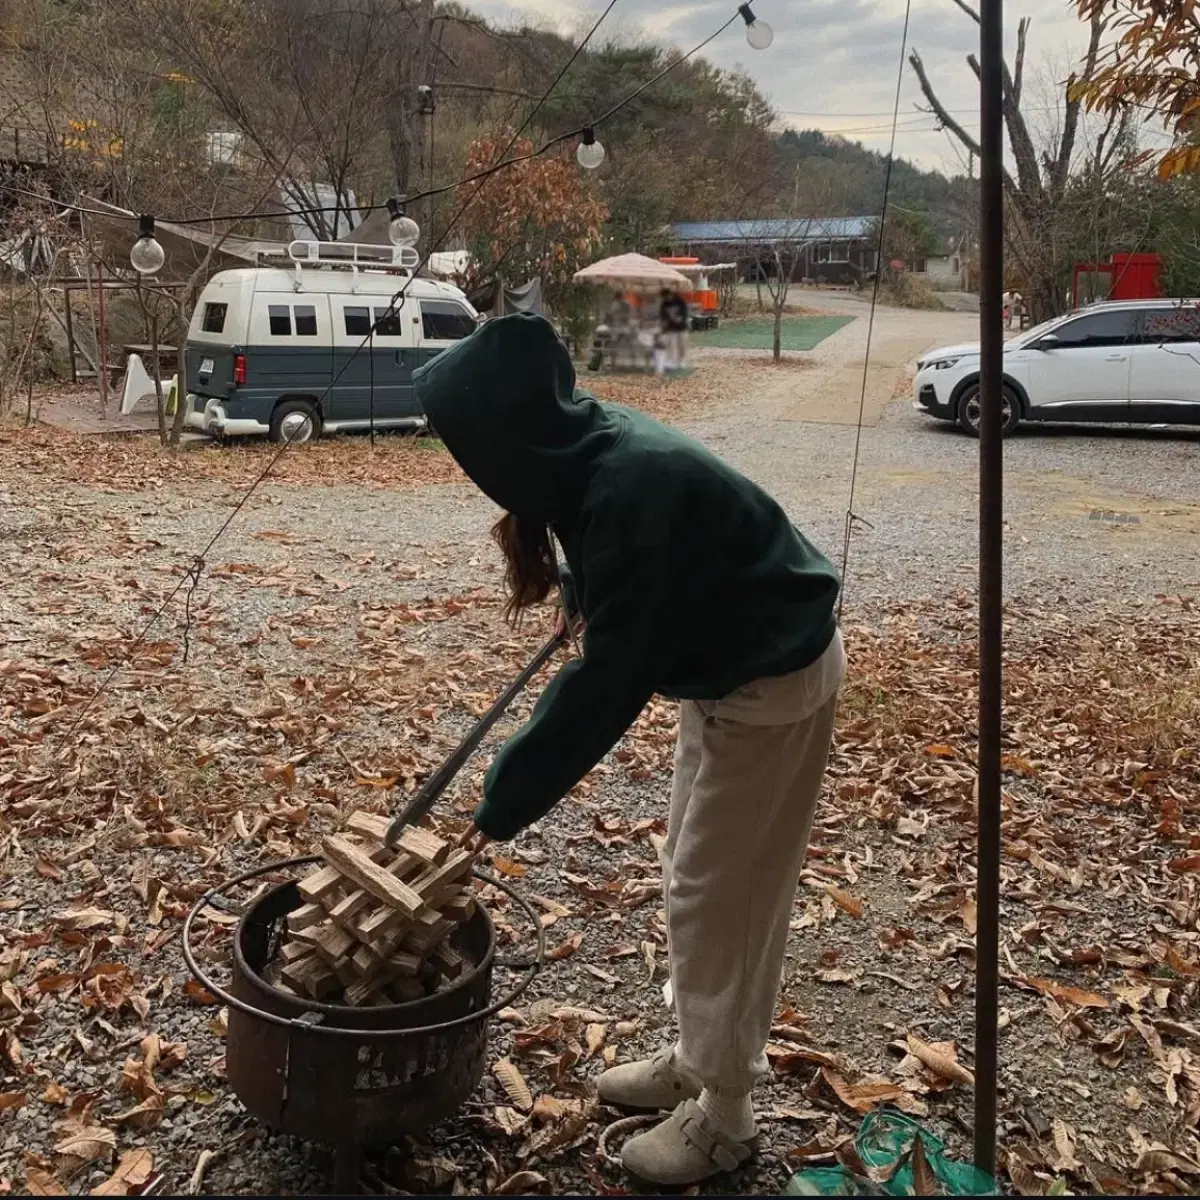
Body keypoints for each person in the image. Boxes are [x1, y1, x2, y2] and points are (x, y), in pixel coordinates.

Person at [413, 313, 845, 1187]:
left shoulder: (628, 481)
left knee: (725, 898)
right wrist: (582, 587)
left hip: (770, 675)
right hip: (723, 665)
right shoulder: (583, 454)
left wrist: (501, 804)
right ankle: (697, 1058)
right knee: (692, 876)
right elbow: (616, 566)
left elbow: (606, 687)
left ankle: (726, 1114)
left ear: (512, 440)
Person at [659, 287, 690, 370]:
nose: (666, 299)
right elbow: (663, 317)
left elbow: (685, 313)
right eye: (664, 298)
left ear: (670, 294)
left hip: (682, 328)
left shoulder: (679, 301)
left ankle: (682, 361)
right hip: (671, 328)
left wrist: (681, 319)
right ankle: (674, 362)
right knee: (672, 346)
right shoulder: (664, 304)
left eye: (667, 297)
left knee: (682, 345)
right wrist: (664, 326)